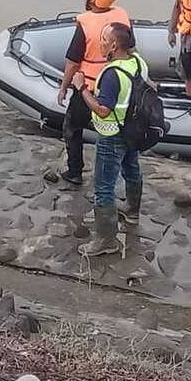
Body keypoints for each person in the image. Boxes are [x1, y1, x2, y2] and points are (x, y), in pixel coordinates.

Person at [69, 22, 147, 256]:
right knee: (132, 169)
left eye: (103, 40)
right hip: (132, 130)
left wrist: (82, 88)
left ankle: (106, 240)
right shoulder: (138, 63)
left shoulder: (112, 74)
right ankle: (132, 212)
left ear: (113, 46)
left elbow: (103, 110)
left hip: (112, 134)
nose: (100, 44)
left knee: (103, 187)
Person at [55, 0, 133, 185]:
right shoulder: (122, 17)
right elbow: (131, 48)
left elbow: (73, 62)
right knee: (117, 131)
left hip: (88, 86)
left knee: (72, 127)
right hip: (116, 83)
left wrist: (64, 87)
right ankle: (122, 174)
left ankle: (75, 171)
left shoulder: (85, 24)